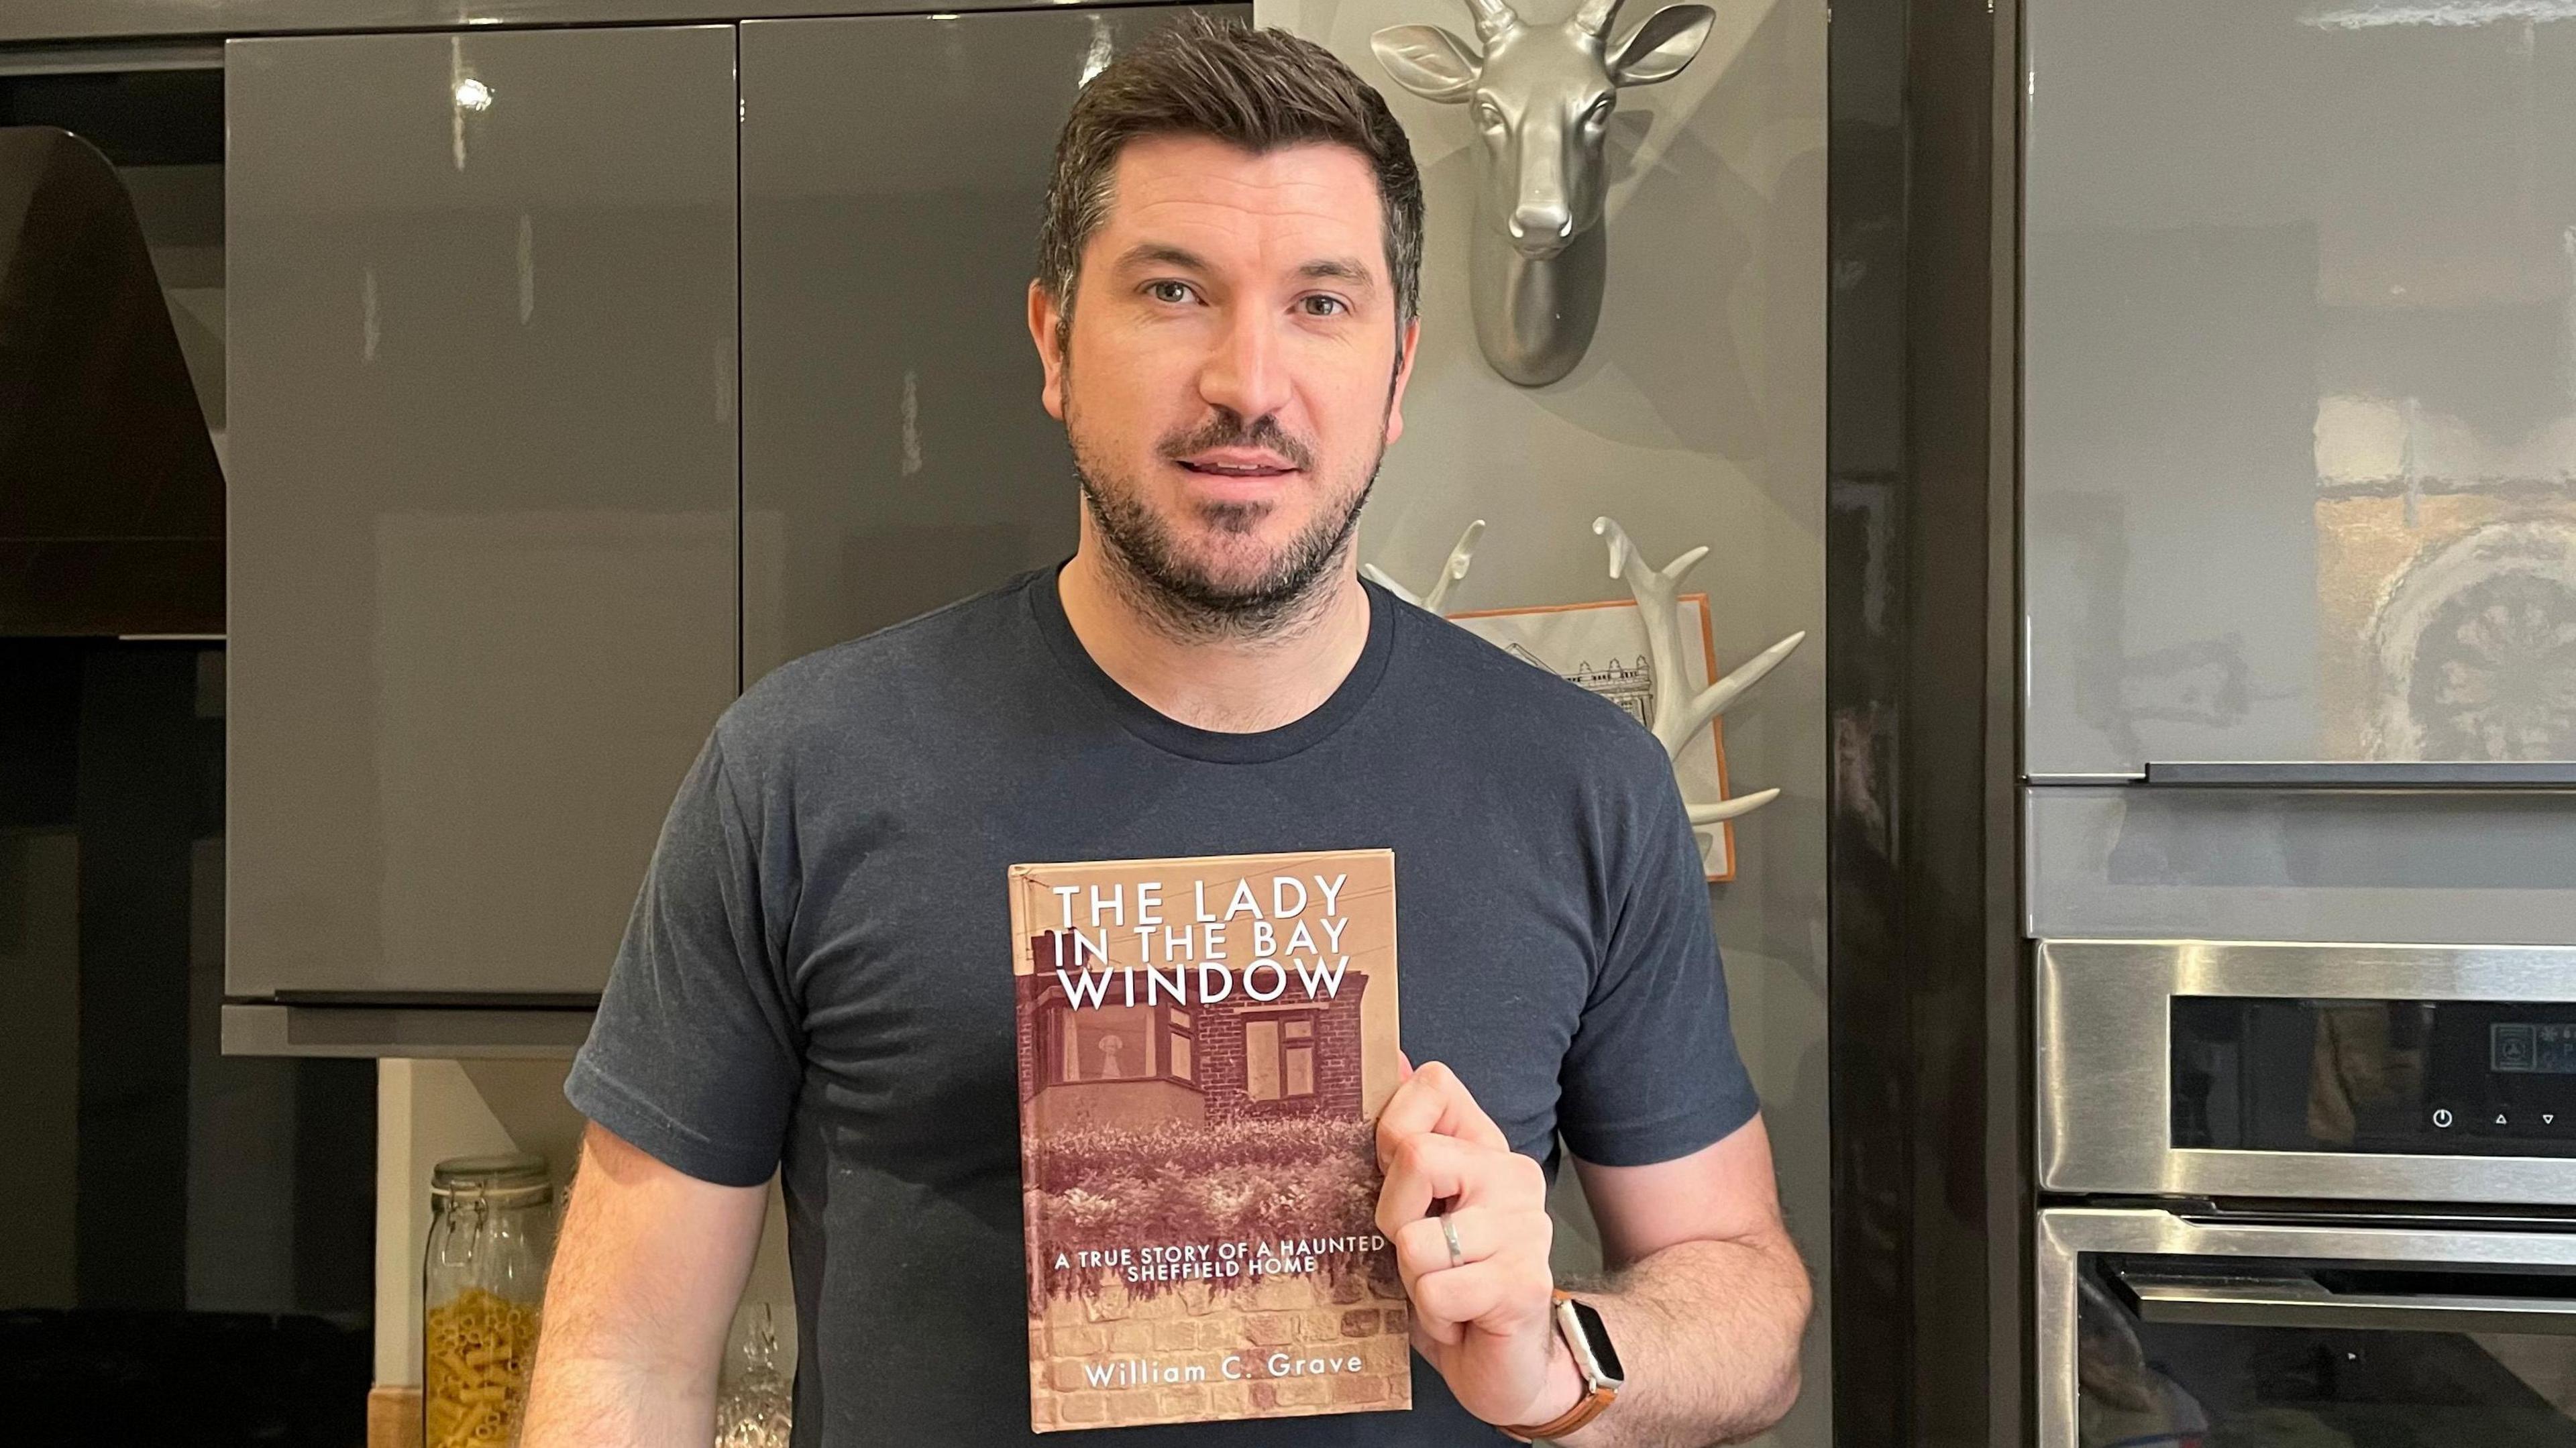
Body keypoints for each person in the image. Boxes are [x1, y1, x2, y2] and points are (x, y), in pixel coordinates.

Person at [523, 17, 1809, 1447]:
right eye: (1176, 290)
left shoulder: (1585, 787)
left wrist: (1558, 1351)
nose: (1246, 382)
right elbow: (624, 1367)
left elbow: (1747, 1309)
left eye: (1321, 303)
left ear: (1397, 377)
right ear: (1055, 340)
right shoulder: (801, 772)